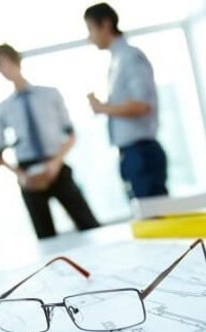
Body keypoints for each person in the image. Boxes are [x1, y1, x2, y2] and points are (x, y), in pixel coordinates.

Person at [0, 44, 100, 239]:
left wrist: (55, 164)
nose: (1, 70)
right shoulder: (2, 109)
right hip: (28, 174)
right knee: (45, 236)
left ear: (15, 60)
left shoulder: (50, 95)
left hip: (56, 165)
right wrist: (21, 175)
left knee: (88, 224)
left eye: (2, 63)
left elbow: (70, 134)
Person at [84, 2, 168, 199]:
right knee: (144, 212)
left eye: (90, 29)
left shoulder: (129, 57)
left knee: (153, 213)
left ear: (105, 24)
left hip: (142, 153)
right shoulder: (118, 60)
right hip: (131, 153)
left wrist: (103, 108)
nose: (89, 37)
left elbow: (141, 105)